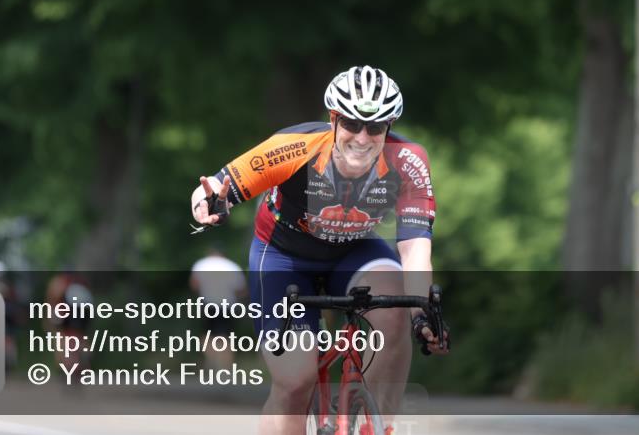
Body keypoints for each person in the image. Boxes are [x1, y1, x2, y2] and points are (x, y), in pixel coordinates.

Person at [191, 65, 449, 435]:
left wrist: (422, 315)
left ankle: (378, 425)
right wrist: (208, 201)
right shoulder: (296, 147)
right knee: (295, 382)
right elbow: (215, 187)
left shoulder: (407, 160)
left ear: (388, 128)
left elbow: (415, 249)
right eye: (352, 124)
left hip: (354, 249)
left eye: (375, 127)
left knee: (397, 308)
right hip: (284, 255)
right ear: (333, 120)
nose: (362, 137)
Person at [190, 247, 247, 369]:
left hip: (208, 303)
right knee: (225, 334)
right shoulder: (232, 266)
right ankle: (225, 364)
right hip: (228, 304)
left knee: (207, 334)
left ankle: (211, 360)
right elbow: (241, 290)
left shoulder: (201, 264)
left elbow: (194, 285)